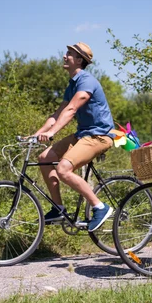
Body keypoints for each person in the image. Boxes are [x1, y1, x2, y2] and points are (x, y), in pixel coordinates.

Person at [32, 42, 115, 232]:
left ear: (79, 60)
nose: (64, 56)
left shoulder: (86, 81)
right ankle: (58, 209)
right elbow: (57, 114)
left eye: (69, 53)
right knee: (45, 158)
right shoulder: (72, 85)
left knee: (63, 169)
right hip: (83, 134)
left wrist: (52, 133)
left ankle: (100, 207)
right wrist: (36, 134)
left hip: (99, 135)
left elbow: (71, 109)